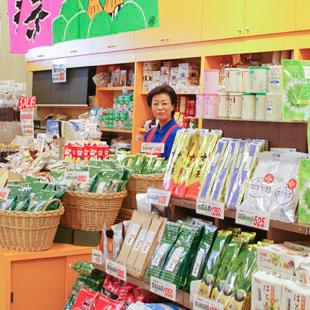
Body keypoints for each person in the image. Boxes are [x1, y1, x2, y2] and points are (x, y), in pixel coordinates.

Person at [144, 85, 182, 159]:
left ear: (172, 107)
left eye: (164, 103)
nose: (160, 108)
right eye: (155, 104)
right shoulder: (150, 133)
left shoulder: (178, 133)